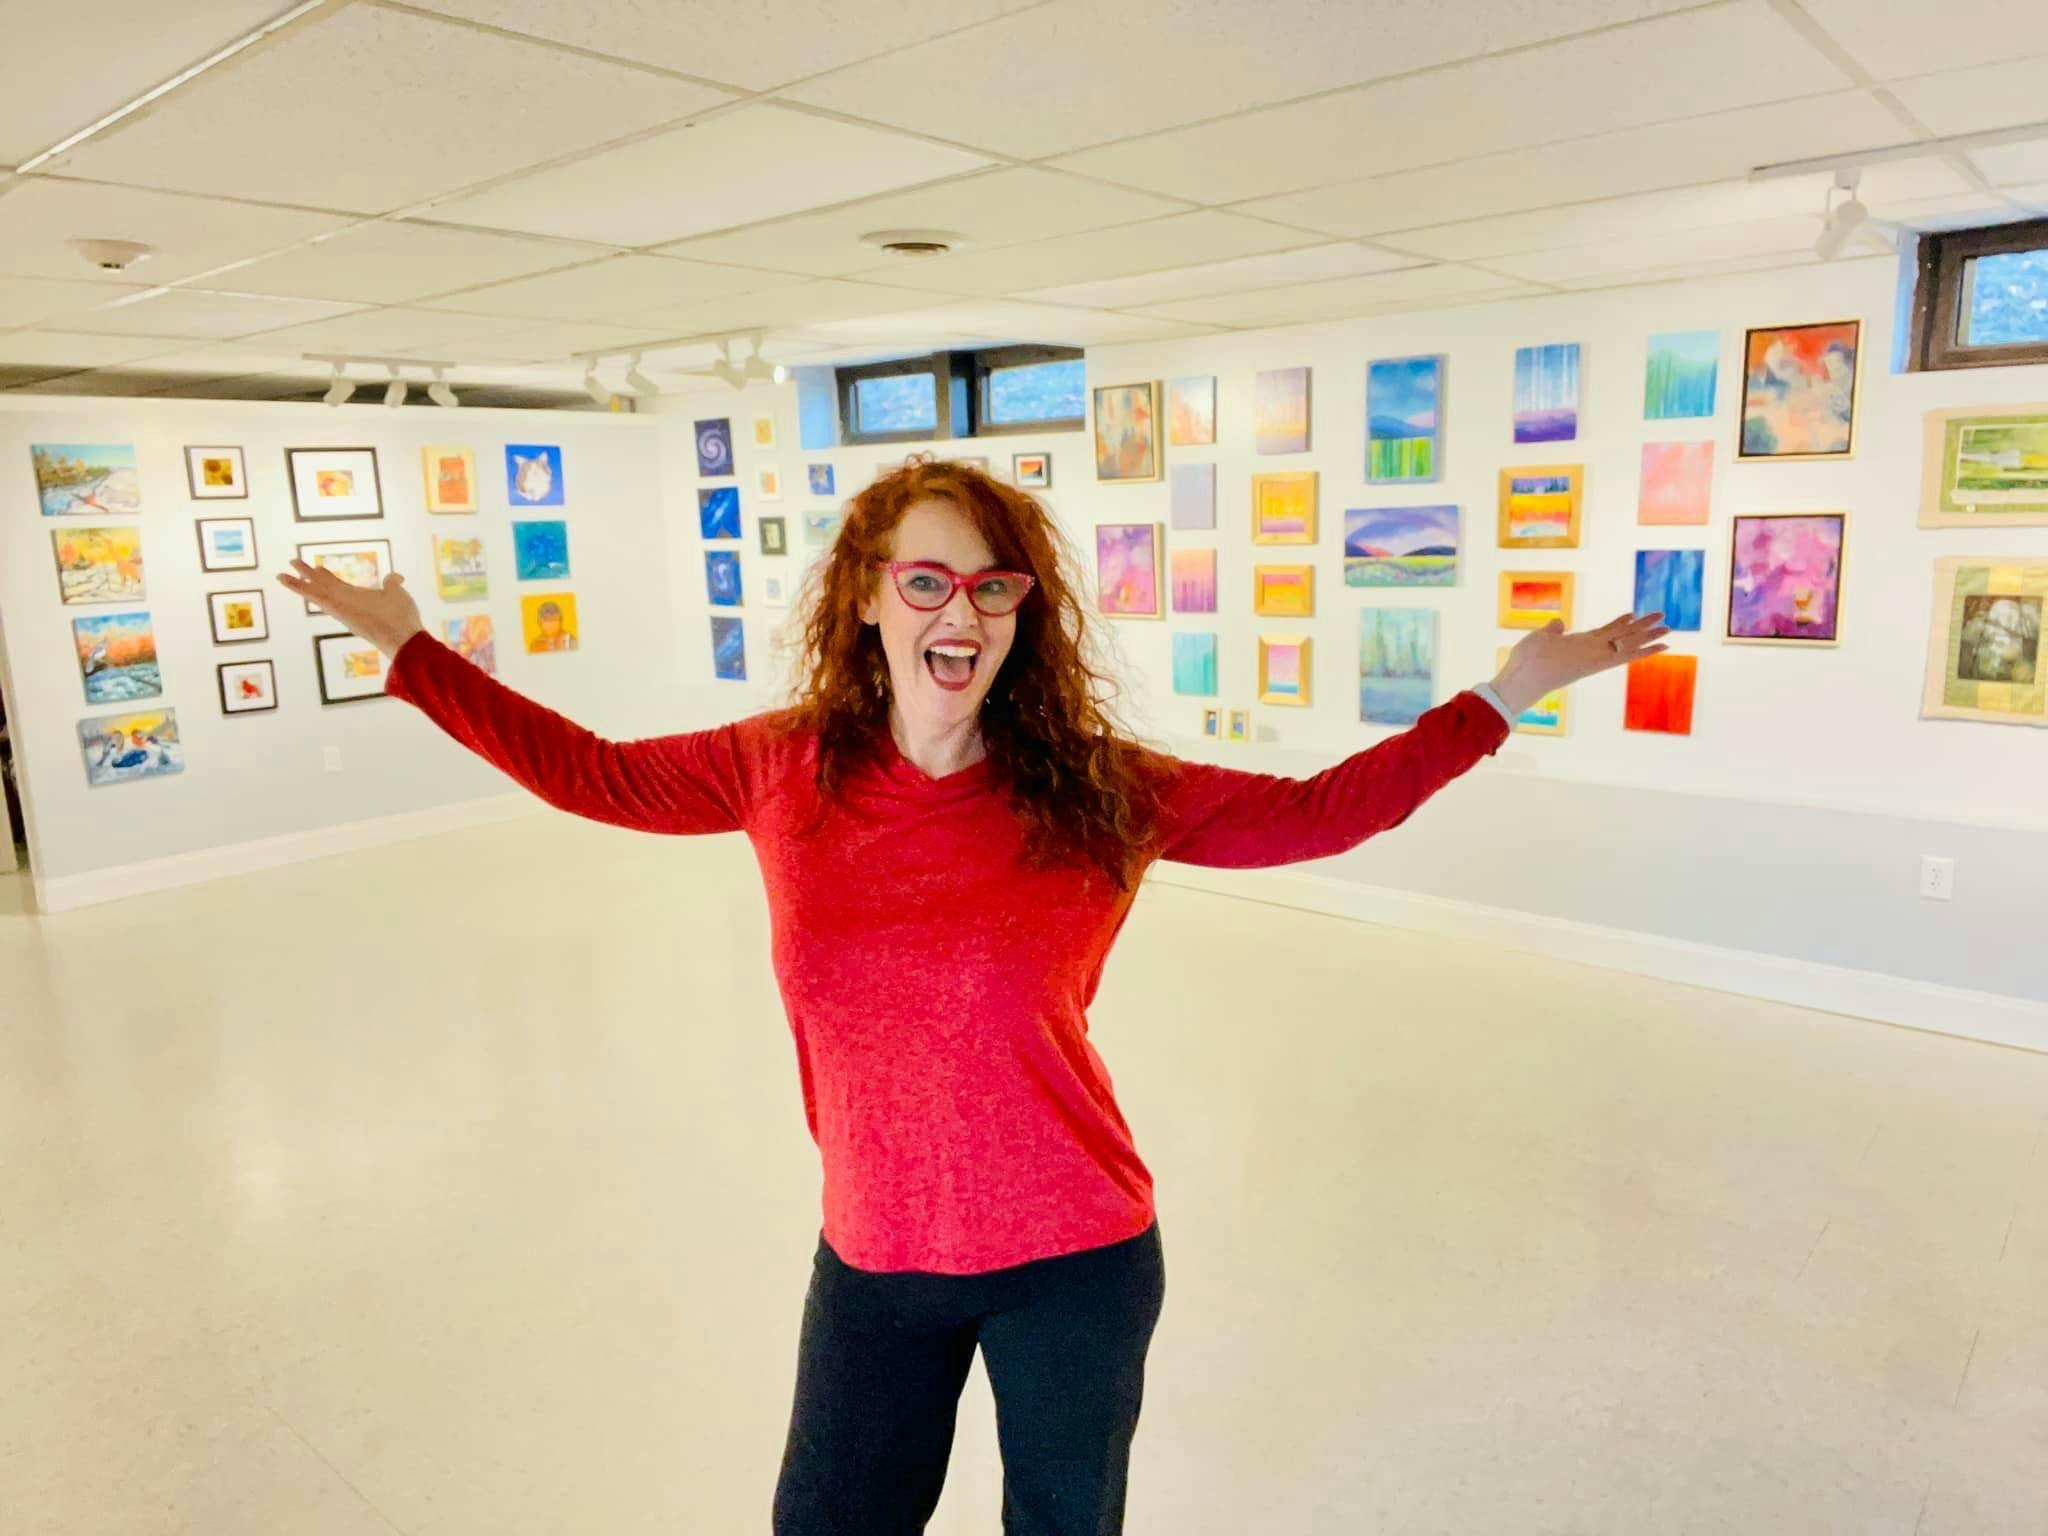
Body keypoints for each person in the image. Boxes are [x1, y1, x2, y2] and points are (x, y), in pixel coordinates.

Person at [277, 457, 1665, 1535]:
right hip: (876, 1258)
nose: (960, 612)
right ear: (867, 596)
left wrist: (1503, 696)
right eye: (928, 581)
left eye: (993, 587)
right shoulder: (778, 766)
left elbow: (1318, 813)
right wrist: (414, 654)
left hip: (1078, 1257)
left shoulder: (1100, 789)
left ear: (1020, 614)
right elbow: (589, 773)